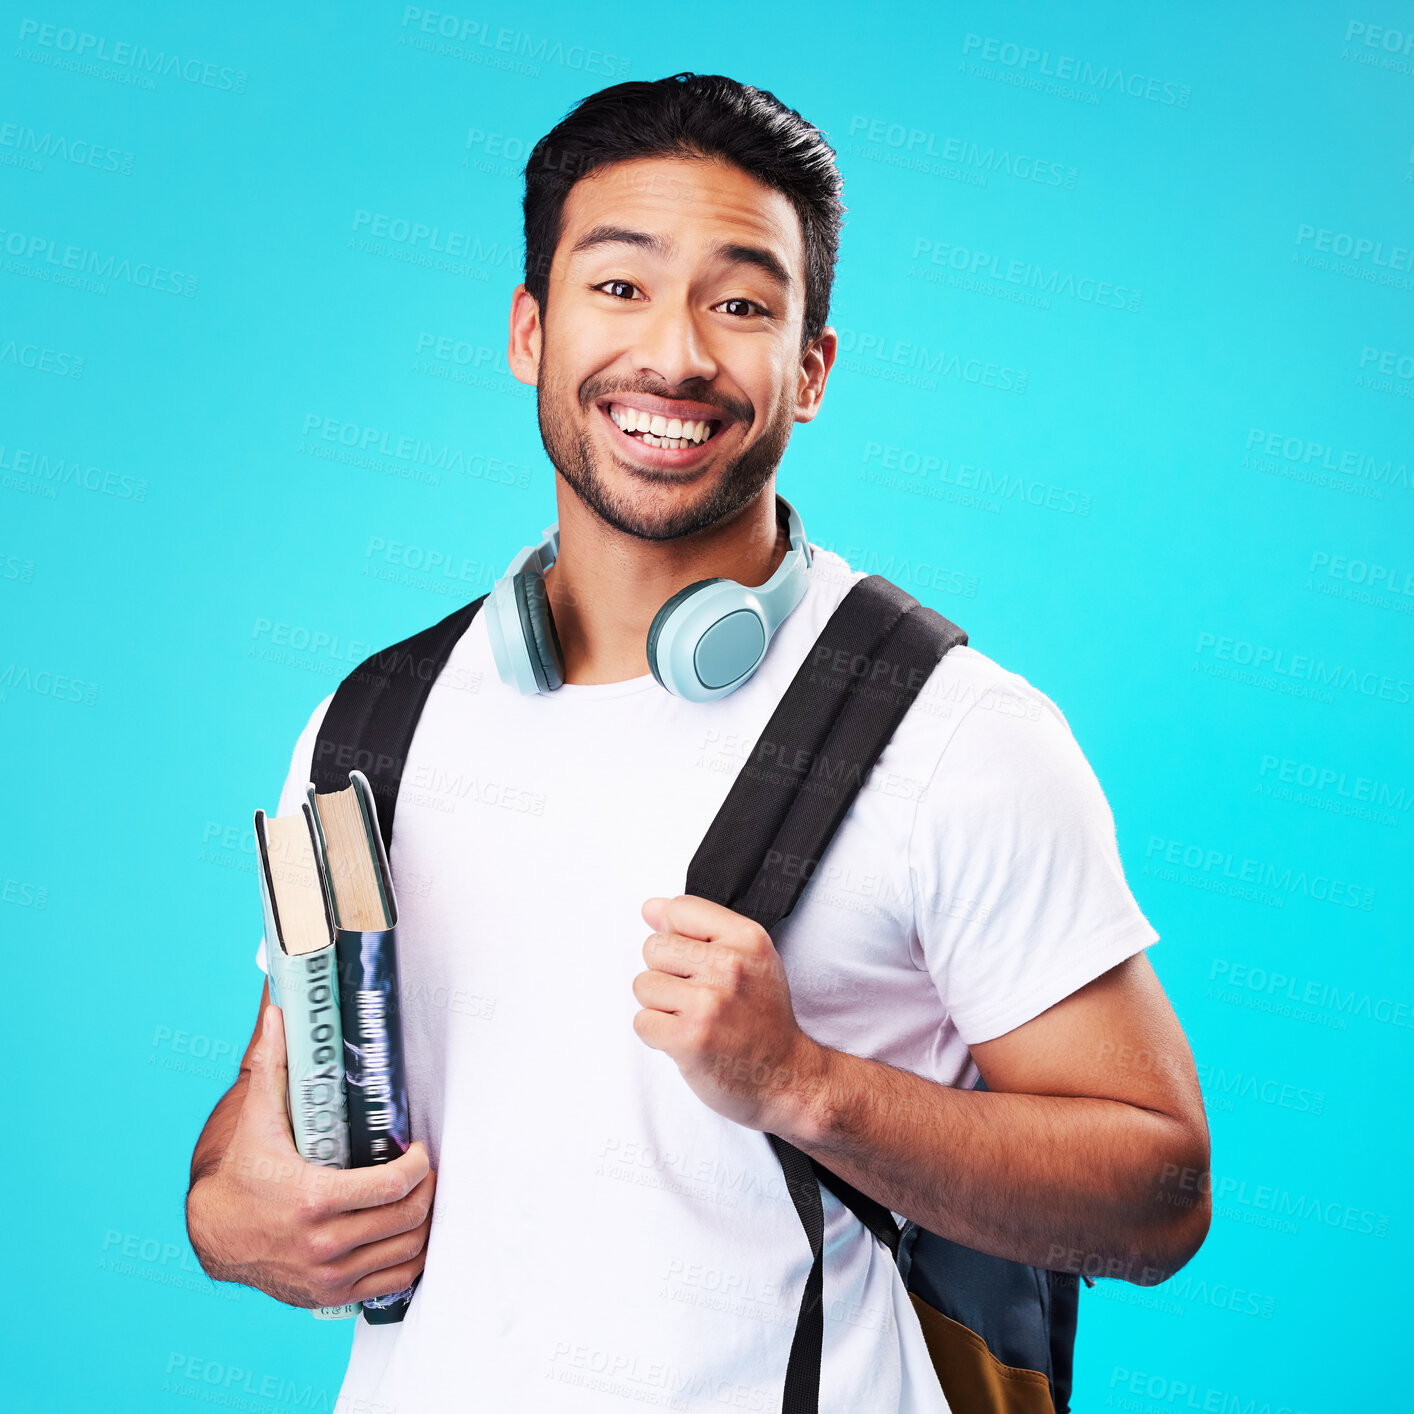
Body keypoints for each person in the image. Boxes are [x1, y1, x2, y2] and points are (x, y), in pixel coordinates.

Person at [186, 73, 1210, 1413]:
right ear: (527, 331)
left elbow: (1155, 1194)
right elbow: (273, 1093)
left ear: (811, 367)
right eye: (618, 288)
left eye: (740, 302)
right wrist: (229, 1208)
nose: (672, 355)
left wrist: (804, 1082)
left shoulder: (953, 732)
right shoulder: (373, 718)